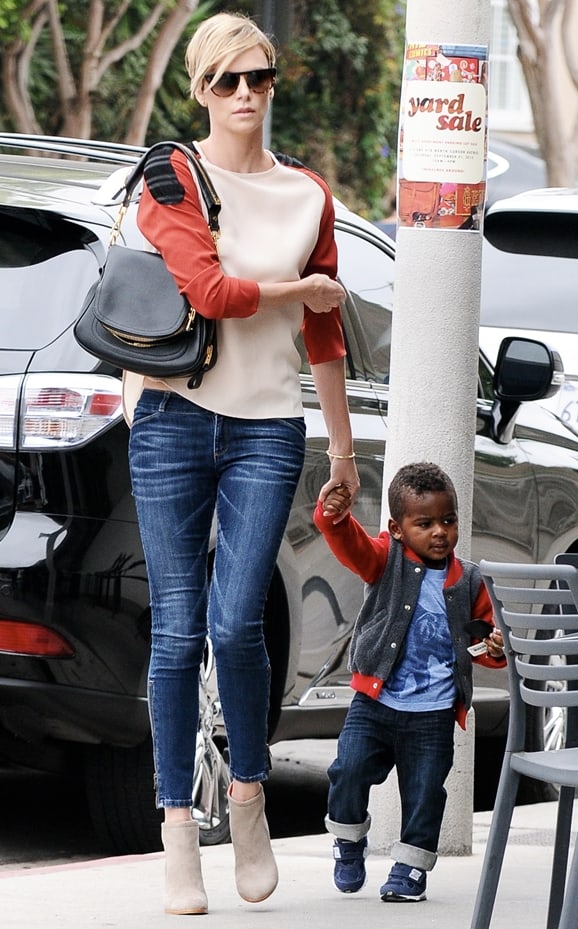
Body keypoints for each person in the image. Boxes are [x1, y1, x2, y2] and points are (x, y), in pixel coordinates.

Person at [125, 10, 360, 916]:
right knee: (179, 632)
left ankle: (250, 800)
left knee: (237, 626)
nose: (246, 95)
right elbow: (212, 292)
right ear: (200, 89)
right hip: (174, 420)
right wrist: (300, 287)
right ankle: (179, 826)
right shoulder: (171, 176)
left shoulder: (308, 195)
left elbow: (327, 334)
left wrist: (340, 449)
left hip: (268, 426)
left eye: (259, 77)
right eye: (227, 81)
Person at [313, 462, 505, 903]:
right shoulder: (384, 560)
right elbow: (349, 544)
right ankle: (348, 839)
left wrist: (495, 647)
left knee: (424, 794)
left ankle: (410, 871)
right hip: (374, 705)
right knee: (348, 771)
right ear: (397, 529)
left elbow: (486, 640)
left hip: (433, 713)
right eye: (425, 524)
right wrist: (334, 515)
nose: (440, 532)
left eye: (448, 520)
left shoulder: (470, 579)